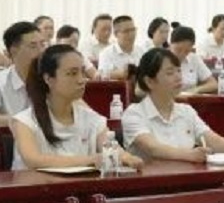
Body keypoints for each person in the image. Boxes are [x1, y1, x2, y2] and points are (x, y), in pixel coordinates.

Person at [13, 43, 139, 171]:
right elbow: (33, 160)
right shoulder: (25, 121)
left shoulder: (91, 119)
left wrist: (127, 158)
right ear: (49, 79)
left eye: (82, 72)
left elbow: (111, 148)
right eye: (72, 73)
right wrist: (91, 160)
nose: (81, 80)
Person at [122, 49, 224, 164]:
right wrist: (190, 155)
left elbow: (212, 140)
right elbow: (153, 148)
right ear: (150, 82)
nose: (178, 77)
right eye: (170, 73)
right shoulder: (134, 114)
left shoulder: (187, 111)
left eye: (179, 70)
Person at [0, 21, 43, 128]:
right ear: (13, 50)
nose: (41, 51)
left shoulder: (51, 79)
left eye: (42, 44)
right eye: (33, 46)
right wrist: (28, 122)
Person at [168, 26, 218, 95]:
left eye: (187, 51)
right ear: (170, 44)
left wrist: (196, 89)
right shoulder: (161, 59)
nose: (182, 54)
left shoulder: (194, 59)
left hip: (189, 99)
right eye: (178, 50)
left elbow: (213, 84)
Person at [96, 15, 143, 81]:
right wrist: (117, 74)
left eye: (133, 30)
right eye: (126, 31)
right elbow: (101, 76)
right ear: (116, 34)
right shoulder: (106, 54)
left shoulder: (141, 51)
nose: (131, 34)